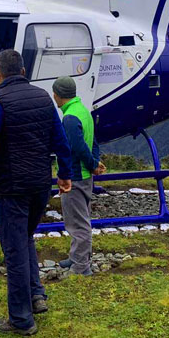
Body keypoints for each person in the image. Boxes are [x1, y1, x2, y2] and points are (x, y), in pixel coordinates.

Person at [0, 50, 73, 336]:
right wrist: (64, 175)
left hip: (12, 188)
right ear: (23, 71)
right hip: (40, 186)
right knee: (25, 239)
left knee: (14, 250)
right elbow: (60, 140)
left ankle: (21, 320)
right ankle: (37, 296)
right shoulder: (43, 98)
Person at [51, 76, 105, 275]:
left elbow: (76, 148)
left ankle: (81, 267)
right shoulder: (83, 111)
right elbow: (93, 142)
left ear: (58, 95)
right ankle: (76, 257)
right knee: (80, 218)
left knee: (77, 223)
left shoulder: (69, 117)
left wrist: (91, 164)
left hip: (74, 176)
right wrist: (95, 162)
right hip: (85, 175)